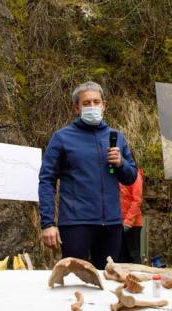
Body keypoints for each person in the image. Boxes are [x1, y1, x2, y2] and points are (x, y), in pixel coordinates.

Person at [39, 81, 137, 269]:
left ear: (104, 105)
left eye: (96, 102)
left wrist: (120, 163)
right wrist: (48, 223)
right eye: (86, 103)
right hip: (76, 224)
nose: (92, 106)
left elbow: (131, 177)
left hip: (111, 224)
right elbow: (46, 180)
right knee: (75, 280)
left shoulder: (117, 137)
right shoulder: (62, 138)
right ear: (76, 107)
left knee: (107, 282)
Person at [119, 156, 143, 264]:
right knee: (120, 258)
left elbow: (137, 200)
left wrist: (128, 222)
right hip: (118, 223)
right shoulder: (117, 175)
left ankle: (136, 279)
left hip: (132, 224)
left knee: (133, 257)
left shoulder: (135, 176)